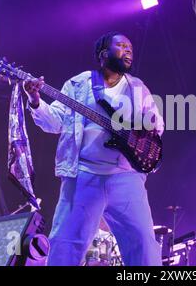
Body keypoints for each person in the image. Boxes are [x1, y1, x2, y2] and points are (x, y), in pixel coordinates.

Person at [23, 31, 164, 266]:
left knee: (144, 245)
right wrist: (35, 99)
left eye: (130, 47)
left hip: (126, 177)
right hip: (84, 177)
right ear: (103, 54)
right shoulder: (78, 84)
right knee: (65, 245)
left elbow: (156, 126)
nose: (128, 50)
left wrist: (132, 132)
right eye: (121, 46)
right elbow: (55, 121)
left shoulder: (138, 88)